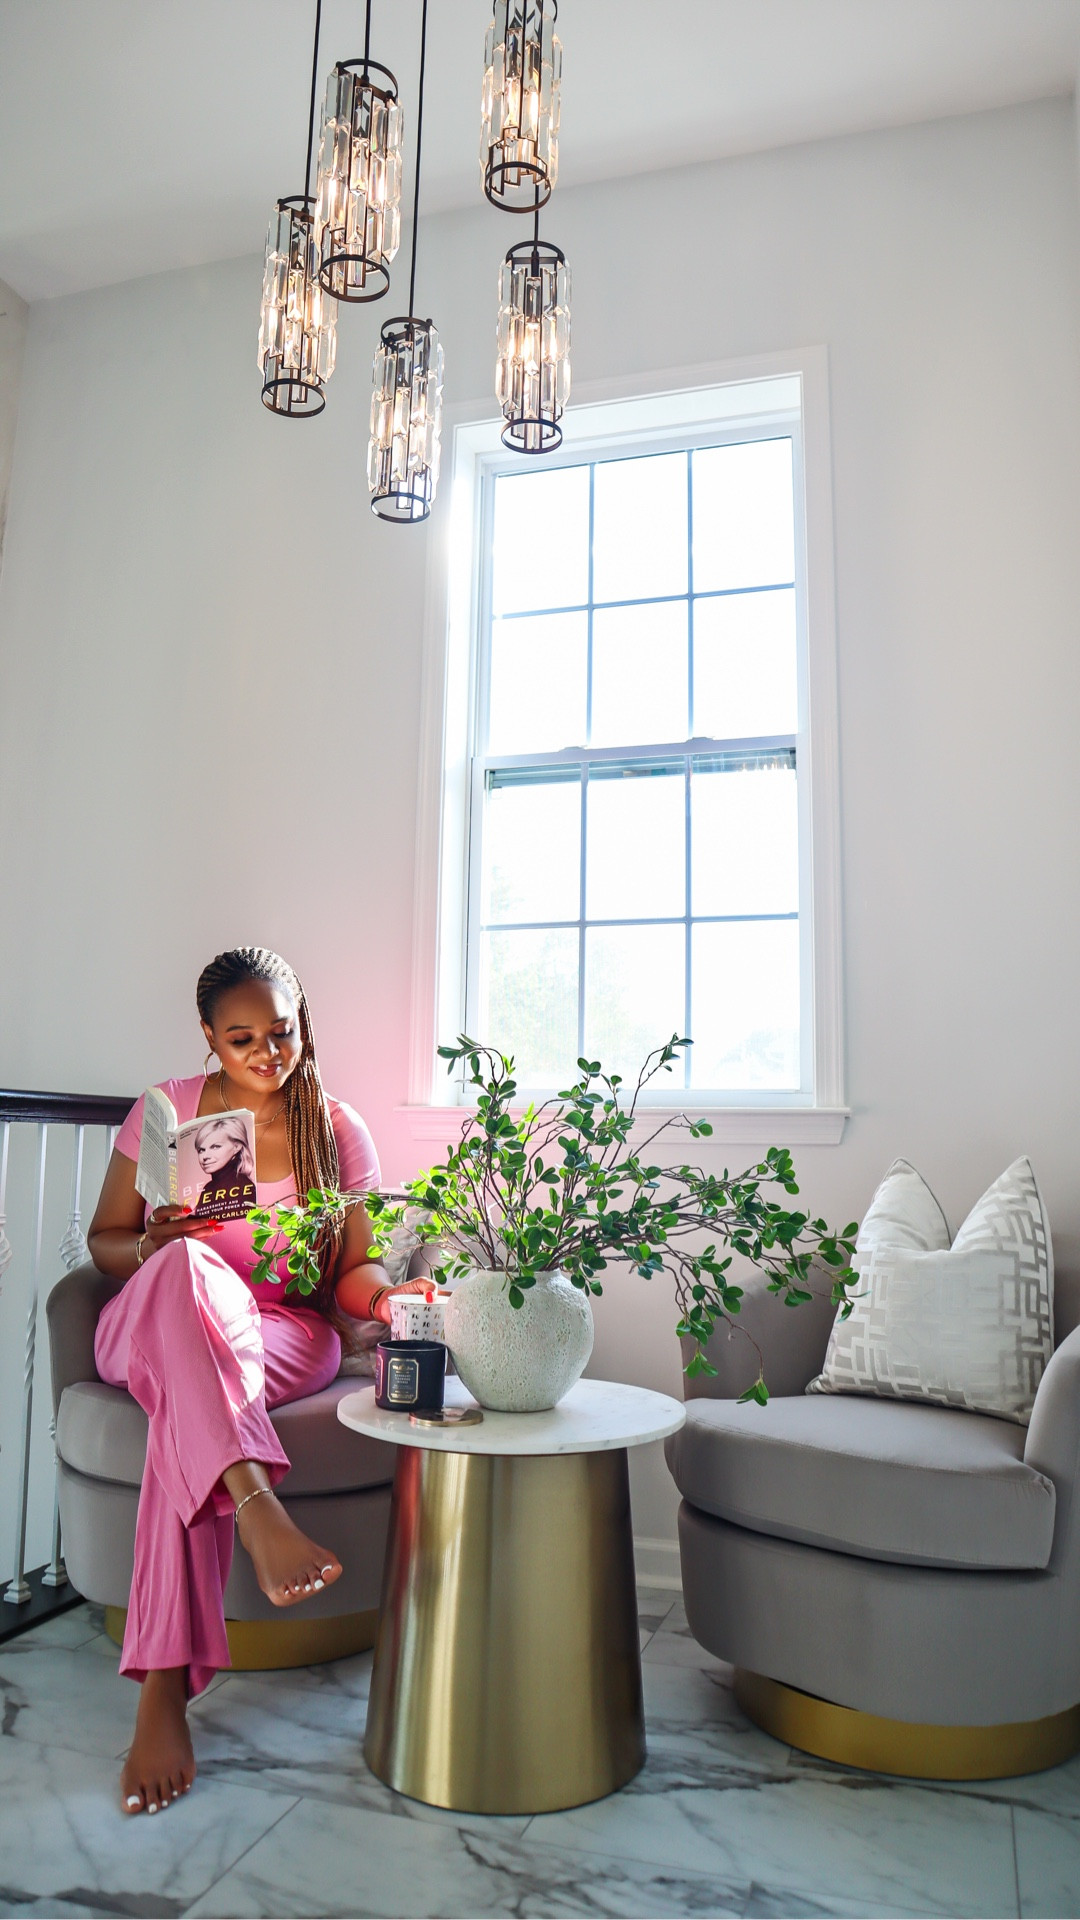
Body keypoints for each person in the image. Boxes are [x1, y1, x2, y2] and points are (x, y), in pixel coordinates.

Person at [87, 945, 428, 1818]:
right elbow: (105, 1245)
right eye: (244, 1040)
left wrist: (387, 1296)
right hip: (156, 1316)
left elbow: (351, 1273)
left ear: (303, 1021)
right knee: (186, 1275)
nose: (270, 1054)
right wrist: (158, 1248)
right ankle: (255, 1503)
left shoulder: (336, 1128)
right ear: (209, 1038)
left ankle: (163, 1691)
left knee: (189, 1407)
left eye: (283, 1032)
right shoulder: (166, 1110)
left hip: (278, 1332)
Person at [190, 1115, 256, 1215]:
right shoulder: (209, 1188)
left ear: (237, 1146)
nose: (205, 1156)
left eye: (215, 1147)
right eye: (201, 1150)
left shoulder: (243, 1186)